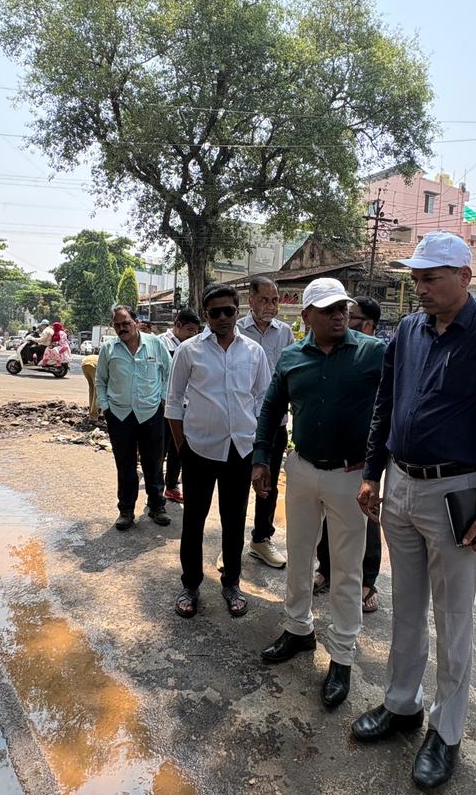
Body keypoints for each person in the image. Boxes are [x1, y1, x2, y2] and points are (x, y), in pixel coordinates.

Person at [355, 233, 476, 788]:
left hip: (457, 492)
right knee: (406, 606)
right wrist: (371, 472)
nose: (421, 288)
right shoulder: (409, 330)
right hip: (400, 483)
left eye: (431, 278)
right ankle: (400, 703)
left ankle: (446, 731)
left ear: (465, 277)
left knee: (453, 617)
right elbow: (386, 403)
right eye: (416, 279)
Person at [254, 278, 386, 710]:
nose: (339, 315)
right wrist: (261, 457)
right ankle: (298, 629)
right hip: (303, 468)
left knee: (346, 570)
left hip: (350, 476)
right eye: (328, 309)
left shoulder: (372, 353)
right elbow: (272, 407)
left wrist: (375, 466)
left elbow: (391, 408)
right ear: (307, 315)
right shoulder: (292, 357)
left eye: (342, 308)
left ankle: (342, 657)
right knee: (298, 554)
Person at [165, 284, 271, 620]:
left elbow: (263, 399)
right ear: (206, 315)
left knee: (234, 522)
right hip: (198, 450)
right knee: (193, 521)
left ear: (238, 311)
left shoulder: (254, 352)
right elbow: (173, 402)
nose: (223, 317)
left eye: (229, 310)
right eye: (215, 312)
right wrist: (182, 449)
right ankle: (190, 585)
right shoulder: (189, 351)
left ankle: (232, 584)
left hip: (240, 451)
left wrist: (258, 447)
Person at [316, 295, 384, 613]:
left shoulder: (378, 355)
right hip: (331, 452)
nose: (341, 319)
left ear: (367, 325)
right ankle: (327, 569)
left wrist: (374, 456)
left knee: (366, 514)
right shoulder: (338, 351)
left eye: (349, 315)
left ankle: (367, 580)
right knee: (329, 511)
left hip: (364, 454)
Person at [96, 304, 172, 531]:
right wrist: (105, 407)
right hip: (119, 415)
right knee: (125, 464)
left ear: (136, 322)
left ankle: (157, 506)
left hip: (151, 413)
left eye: (126, 323)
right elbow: (101, 380)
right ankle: (126, 510)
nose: (122, 328)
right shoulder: (109, 348)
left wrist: (163, 399)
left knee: (154, 462)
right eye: (117, 325)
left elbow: (169, 374)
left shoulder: (155, 344)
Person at [235, 277, 292, 570]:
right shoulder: (235, 330)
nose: (271, 306)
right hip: (242, 422)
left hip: (275, 423)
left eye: (275, 300)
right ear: (251, 301)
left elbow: (291, 372)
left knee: (268, 483)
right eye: (265, 300)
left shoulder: (285, 333)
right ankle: (231, 543)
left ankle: (261, 538)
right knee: (236, 483)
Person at [160, 306, 203, 503]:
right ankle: (155, 491)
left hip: (186, 406)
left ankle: (171, 486)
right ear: (178, 325)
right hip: (162, 405)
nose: (193, 334)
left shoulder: (195, 345)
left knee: (178, 448)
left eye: (196, 330)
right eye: (190, 330)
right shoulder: (161, 343)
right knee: (160, 448)